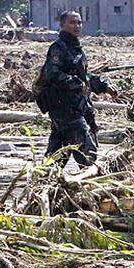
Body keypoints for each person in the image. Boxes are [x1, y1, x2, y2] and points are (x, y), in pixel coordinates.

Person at [41, 10, 118, 167]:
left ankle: (45, 182)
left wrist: (103, 86)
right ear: (62, 25)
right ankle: (89, 184)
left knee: (57, 154)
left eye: (79, 22)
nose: (76, 26)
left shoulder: (76, 49)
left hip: (75, 106)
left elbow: (84, 76)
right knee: (87, 154)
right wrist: (76, 83)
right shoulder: (58, 48)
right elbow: (53, 74)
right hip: (63, 107)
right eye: (72, 22)